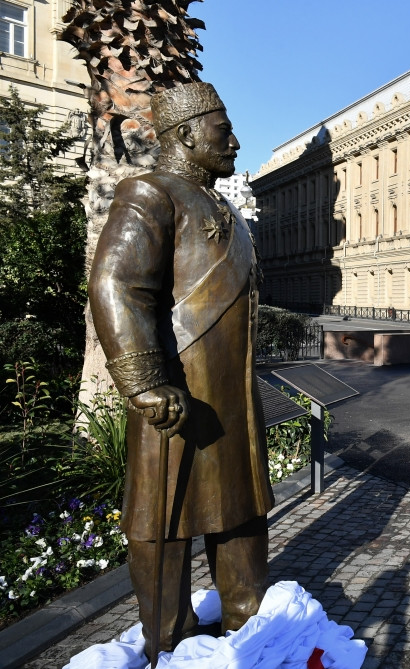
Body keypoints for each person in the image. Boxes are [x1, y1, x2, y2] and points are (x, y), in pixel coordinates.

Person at [88, 82, 273, 659]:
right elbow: (117, 284)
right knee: (162, 521)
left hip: (233, 396)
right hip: (177, 391)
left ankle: (251, 630)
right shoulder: (149, 192)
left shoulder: (224, 208)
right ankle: (168, 641)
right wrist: (145, 381)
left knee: (240, 509)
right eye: (223, 132)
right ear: (187, 133)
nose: (235, 143)